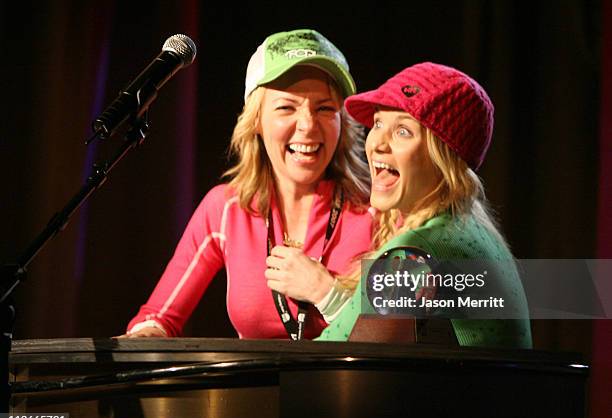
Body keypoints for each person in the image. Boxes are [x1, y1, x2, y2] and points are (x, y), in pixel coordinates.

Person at [123, 29, 373, 339]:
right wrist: (148, 334)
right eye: (286, 107)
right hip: (253, 387)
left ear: (342, 122)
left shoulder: (378, 210)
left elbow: (408, 336)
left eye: (324, 108)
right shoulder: (226, 208)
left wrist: (328, 293)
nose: (308, 125)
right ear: (255, 120)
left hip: (348, 386)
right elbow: (157, 318)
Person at [314, 62, 532, 348]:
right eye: (378, 123)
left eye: (403, 131)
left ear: (443, 158)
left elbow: (335, 360)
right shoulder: (470, 227)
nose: (377, 142)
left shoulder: (416, 250)